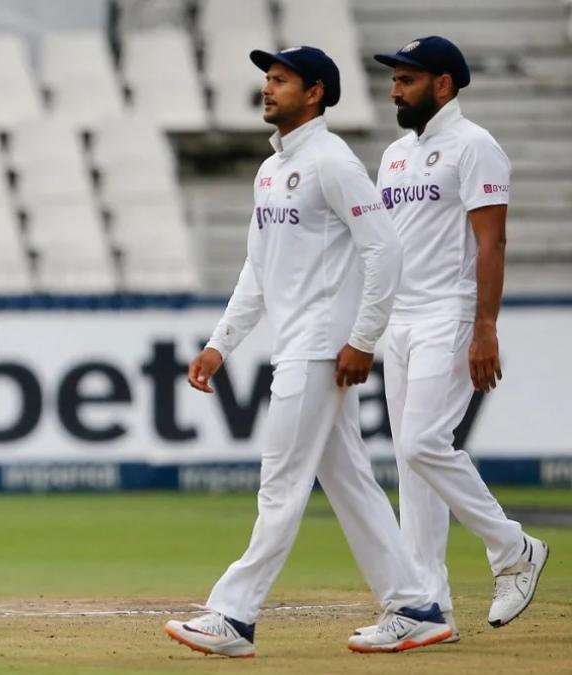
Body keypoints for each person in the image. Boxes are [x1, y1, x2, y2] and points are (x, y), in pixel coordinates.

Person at [163, 47, 450, 658]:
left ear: (315, 93)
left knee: (281, 484)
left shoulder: (332, 161)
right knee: (349, 483)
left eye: (282, 81)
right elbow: (257, 268)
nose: (268, 90)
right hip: (297, 344)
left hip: (322, 348)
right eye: (267, 79)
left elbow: (384, 252)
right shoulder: (272, 170)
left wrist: (361, 340)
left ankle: (233, 616)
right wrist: (220, 344)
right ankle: (415, 605)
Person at [365, 36, 548, 637]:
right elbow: (386, 245)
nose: (395, 88)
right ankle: (427, 606)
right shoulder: (394, 155)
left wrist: (484, 328)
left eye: (407, 79)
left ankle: (512, 548)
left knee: (421, 443)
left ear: (443, 85)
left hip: (451, 314)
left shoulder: (476, 148)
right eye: (394, 78)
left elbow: (492, 243)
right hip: (401, 319)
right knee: (411, 465)